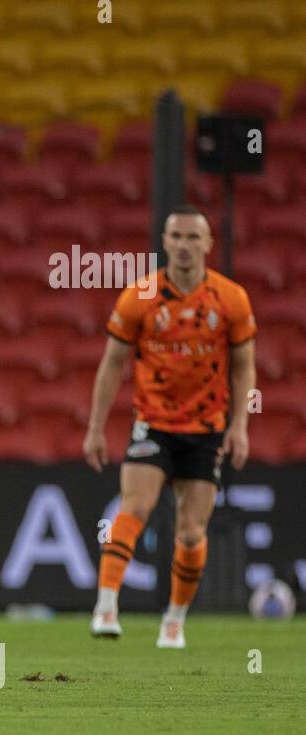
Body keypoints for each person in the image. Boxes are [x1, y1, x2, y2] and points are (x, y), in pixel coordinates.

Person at [85, 205, 256, 648]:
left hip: (205, 428)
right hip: (153, 423)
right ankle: (106, 606)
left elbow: (244, 367)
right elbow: (112, 365)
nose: (183, 245)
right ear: (164, 241)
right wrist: (95, 428)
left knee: (191, 531)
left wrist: (240, 426)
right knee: (135, 507)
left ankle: (174, 620)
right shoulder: (139, 297)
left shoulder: (231, 298)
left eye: (192, 238)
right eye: (176, 237)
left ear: (208, 243)